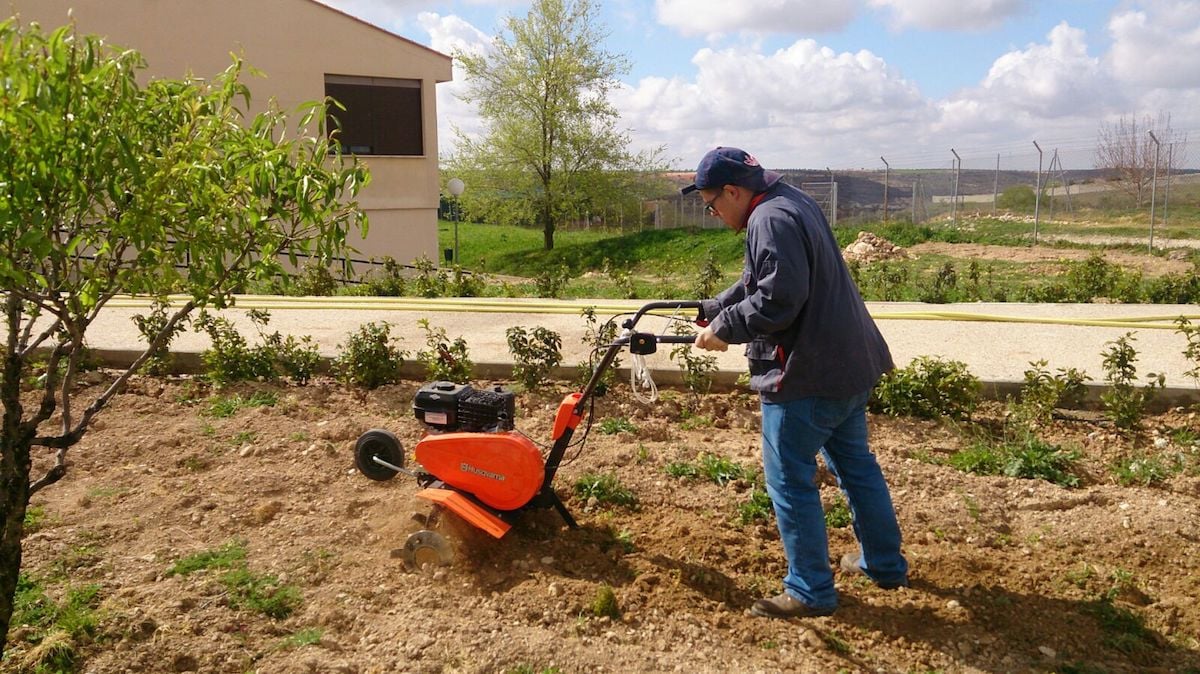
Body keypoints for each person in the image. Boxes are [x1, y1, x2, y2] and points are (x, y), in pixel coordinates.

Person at [684, 147, 908, 619]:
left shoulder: (769, 219)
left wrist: (723, 330)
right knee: (857, 468)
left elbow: (778, 299)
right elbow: (760, 279)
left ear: (733, 190)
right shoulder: (790, 201)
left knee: (789, 479)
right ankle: (884, 564)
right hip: (850, 365)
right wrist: (714, 306)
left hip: (807, 373)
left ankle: (809, 589)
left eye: (712, 203)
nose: (713, 212)